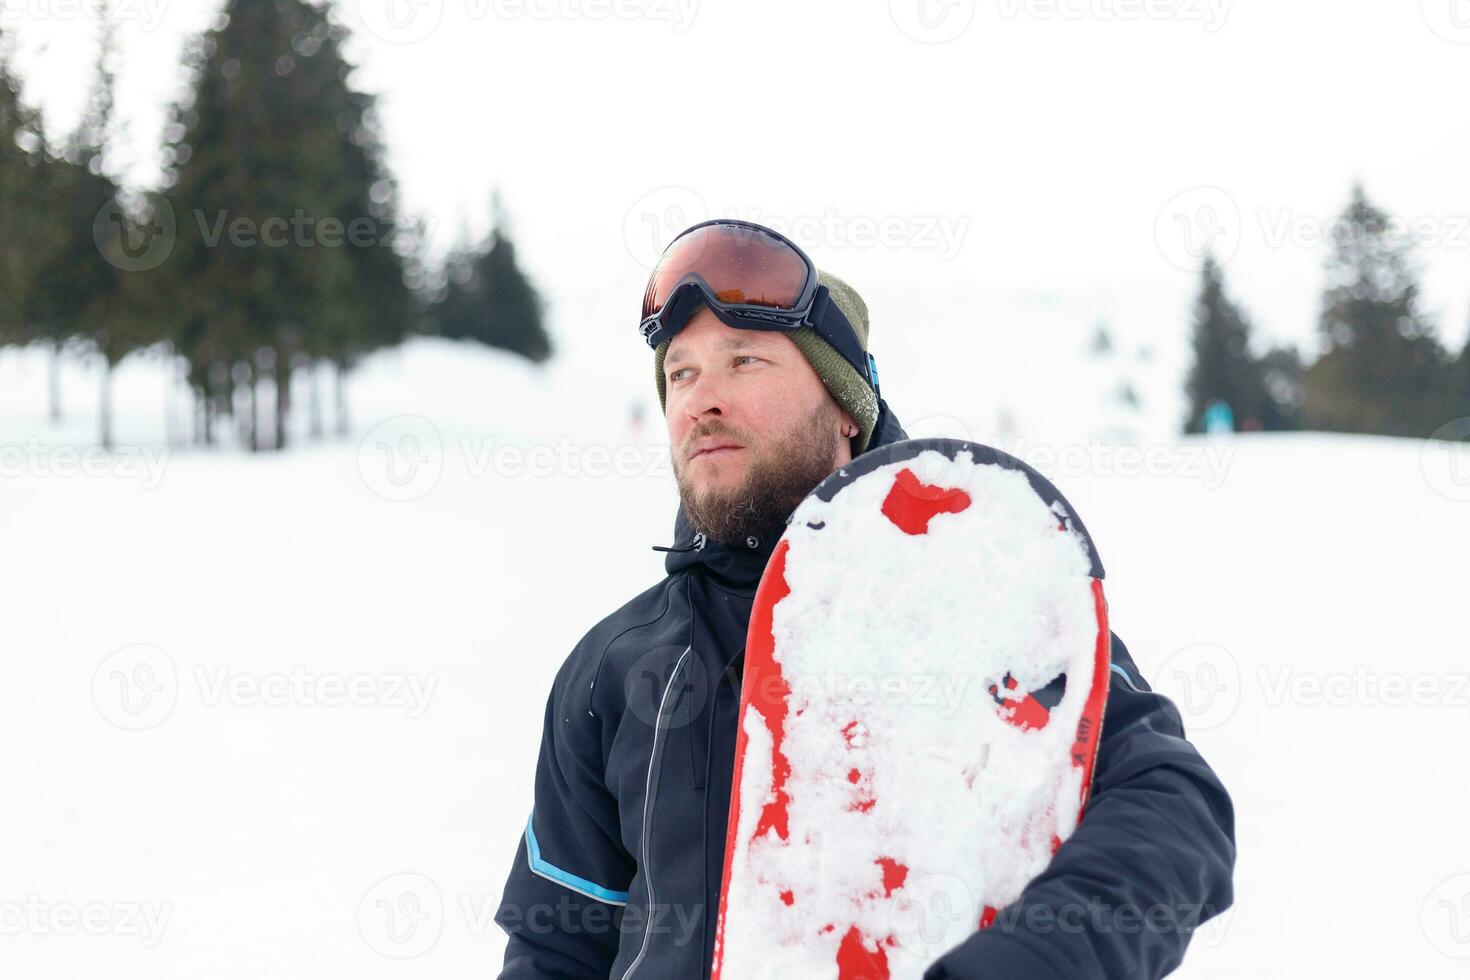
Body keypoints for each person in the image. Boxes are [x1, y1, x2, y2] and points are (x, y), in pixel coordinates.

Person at [494, 219, 1235, 978]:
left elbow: (1172, 805)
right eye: (680, 374)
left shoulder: (974, 597)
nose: (700, 401)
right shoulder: (615, 669)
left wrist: (1027, 961)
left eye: (743, 360)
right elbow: (558, 945)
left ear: (846, 405)